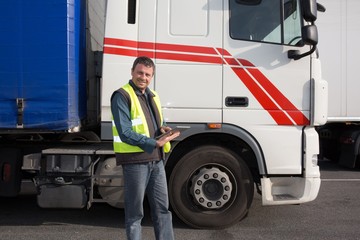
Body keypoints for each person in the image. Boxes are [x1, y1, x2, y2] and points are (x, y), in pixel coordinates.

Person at [110, 56, 179, 240]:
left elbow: (158, 122)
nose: (144, 77)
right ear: (132, 72)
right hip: (135, 161)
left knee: (163, 210)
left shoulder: (153, 95)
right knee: (135, 214)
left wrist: (164, 129)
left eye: (148, 74)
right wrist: (153, 143)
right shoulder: (121, 96)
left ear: (152, 76)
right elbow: (125, 132)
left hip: (156, 161)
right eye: (140, 73)